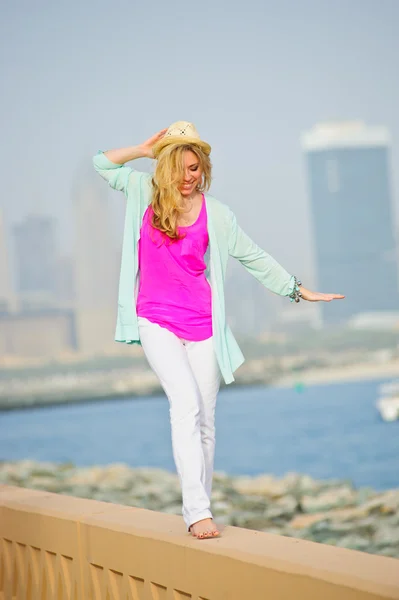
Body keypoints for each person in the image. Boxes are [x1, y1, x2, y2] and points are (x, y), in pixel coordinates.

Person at [93, 121, 344, 540]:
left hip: (204, 325)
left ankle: (201, 505)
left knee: (206, 422)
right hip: (155, 319)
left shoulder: (218, 215)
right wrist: (141, 148)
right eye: (180, 167)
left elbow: (255, 257)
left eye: (195, 168)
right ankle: (196, 513)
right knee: (186, 406)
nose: (188, 176)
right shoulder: (141, 193)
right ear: (164, 167)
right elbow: (101, 164)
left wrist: (299, 291)